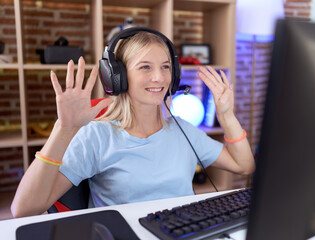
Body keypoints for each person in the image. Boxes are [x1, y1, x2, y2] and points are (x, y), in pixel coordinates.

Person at [11, 30, 255, 218]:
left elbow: (244, 165)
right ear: (118, 77)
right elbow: (23, 209)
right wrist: (64, 129)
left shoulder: (183, 130)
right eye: (145, 67)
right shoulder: (97, 136)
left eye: (166, 67)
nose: (159, 77)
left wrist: (226, 115)